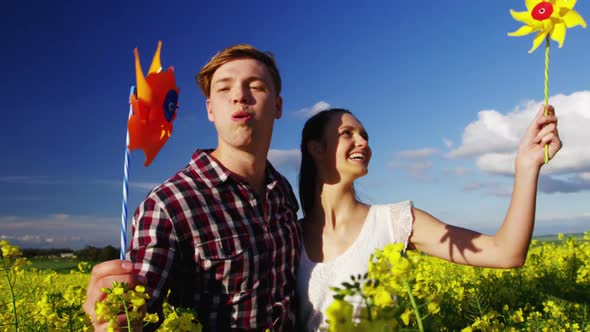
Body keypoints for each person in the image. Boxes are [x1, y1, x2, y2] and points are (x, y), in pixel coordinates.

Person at [83, 44, 302, 331]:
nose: (239, 96)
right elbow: (140, 312)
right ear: (210, 110)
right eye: (224, 89)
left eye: (256, 86)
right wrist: (118, 313)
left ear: (278, 106)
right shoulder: (168, 203)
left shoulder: (282, 190)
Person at [295, 107, 562, 331]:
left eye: (365, 135)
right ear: (316, 149)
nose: (364, 142)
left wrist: (527, 166)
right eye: (347, 133)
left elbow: (506, 253)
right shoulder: (287, 236)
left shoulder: (395, 221)